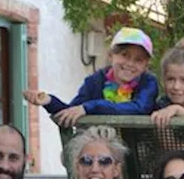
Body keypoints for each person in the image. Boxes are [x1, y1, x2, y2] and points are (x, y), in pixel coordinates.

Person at [24, 28, 159, 126]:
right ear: (111, 55)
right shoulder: (95, 81)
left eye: (139, 60)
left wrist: (91, 107)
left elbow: (138, 108)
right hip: (100, 152)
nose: (130, 63)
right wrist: (48, 101)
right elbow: (72, 111)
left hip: (138, 149)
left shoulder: (148, 82)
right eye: (125, 55)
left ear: (145, 65)